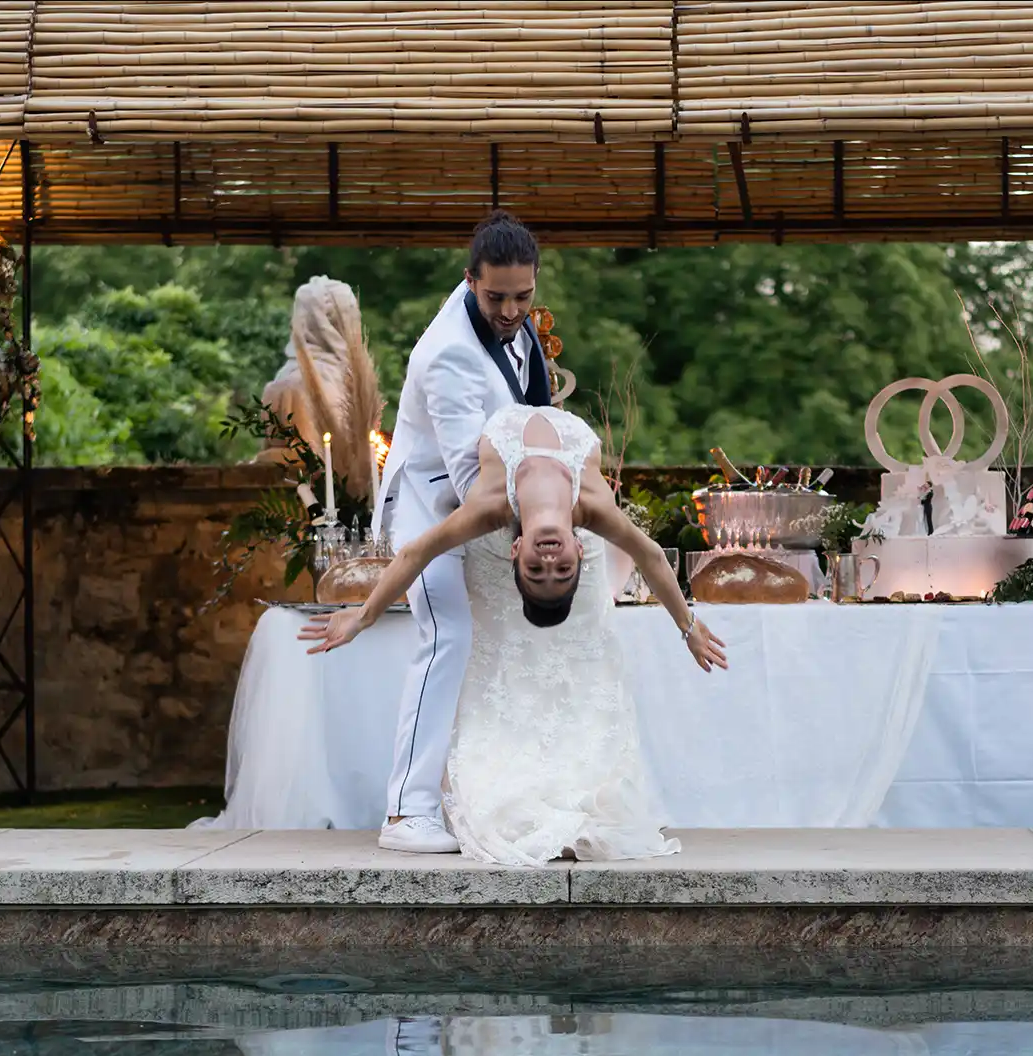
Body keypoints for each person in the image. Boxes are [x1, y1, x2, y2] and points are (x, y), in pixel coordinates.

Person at [302, 406, 725, 865]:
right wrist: (688, 628)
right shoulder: (592, 509)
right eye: (561, 570)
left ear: (516, 549)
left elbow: (416, 553)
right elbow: (650, 556)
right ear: (580, 549)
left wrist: (361, 618)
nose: (549, 561)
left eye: (538, 571)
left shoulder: (493, 508)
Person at [366, 210, 553, 854]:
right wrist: (546, 514)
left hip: (489, 503)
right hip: (428, 503)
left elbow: (534, 419)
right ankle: (405, 813)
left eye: (523, 296)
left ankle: (485, 798)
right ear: (469, 280)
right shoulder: (446, 354)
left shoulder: (519, 327)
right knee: (449, 633)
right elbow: (472, 474)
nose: (509, 310)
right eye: (496, 296)